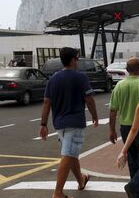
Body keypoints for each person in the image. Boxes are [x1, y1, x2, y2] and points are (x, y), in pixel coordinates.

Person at [39, 47, 98, 198]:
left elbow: (46, 102)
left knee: (71, 155)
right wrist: (95, 115)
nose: (77, 61)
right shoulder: (80, 77)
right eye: (77, 58)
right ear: (72, 59)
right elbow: (89, 100)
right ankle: (58, 193)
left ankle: (81, 180)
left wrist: (43, 124)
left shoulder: (53, 78)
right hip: (74, 123)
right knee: (68, 155)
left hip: (59, 124)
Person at [109, 57, 139, 198]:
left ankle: (136, 194)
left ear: (127, 70)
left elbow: (113, 110)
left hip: (125, 127)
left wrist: (111, 130)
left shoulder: (119, 86)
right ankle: (134, 185)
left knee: (133, 160)